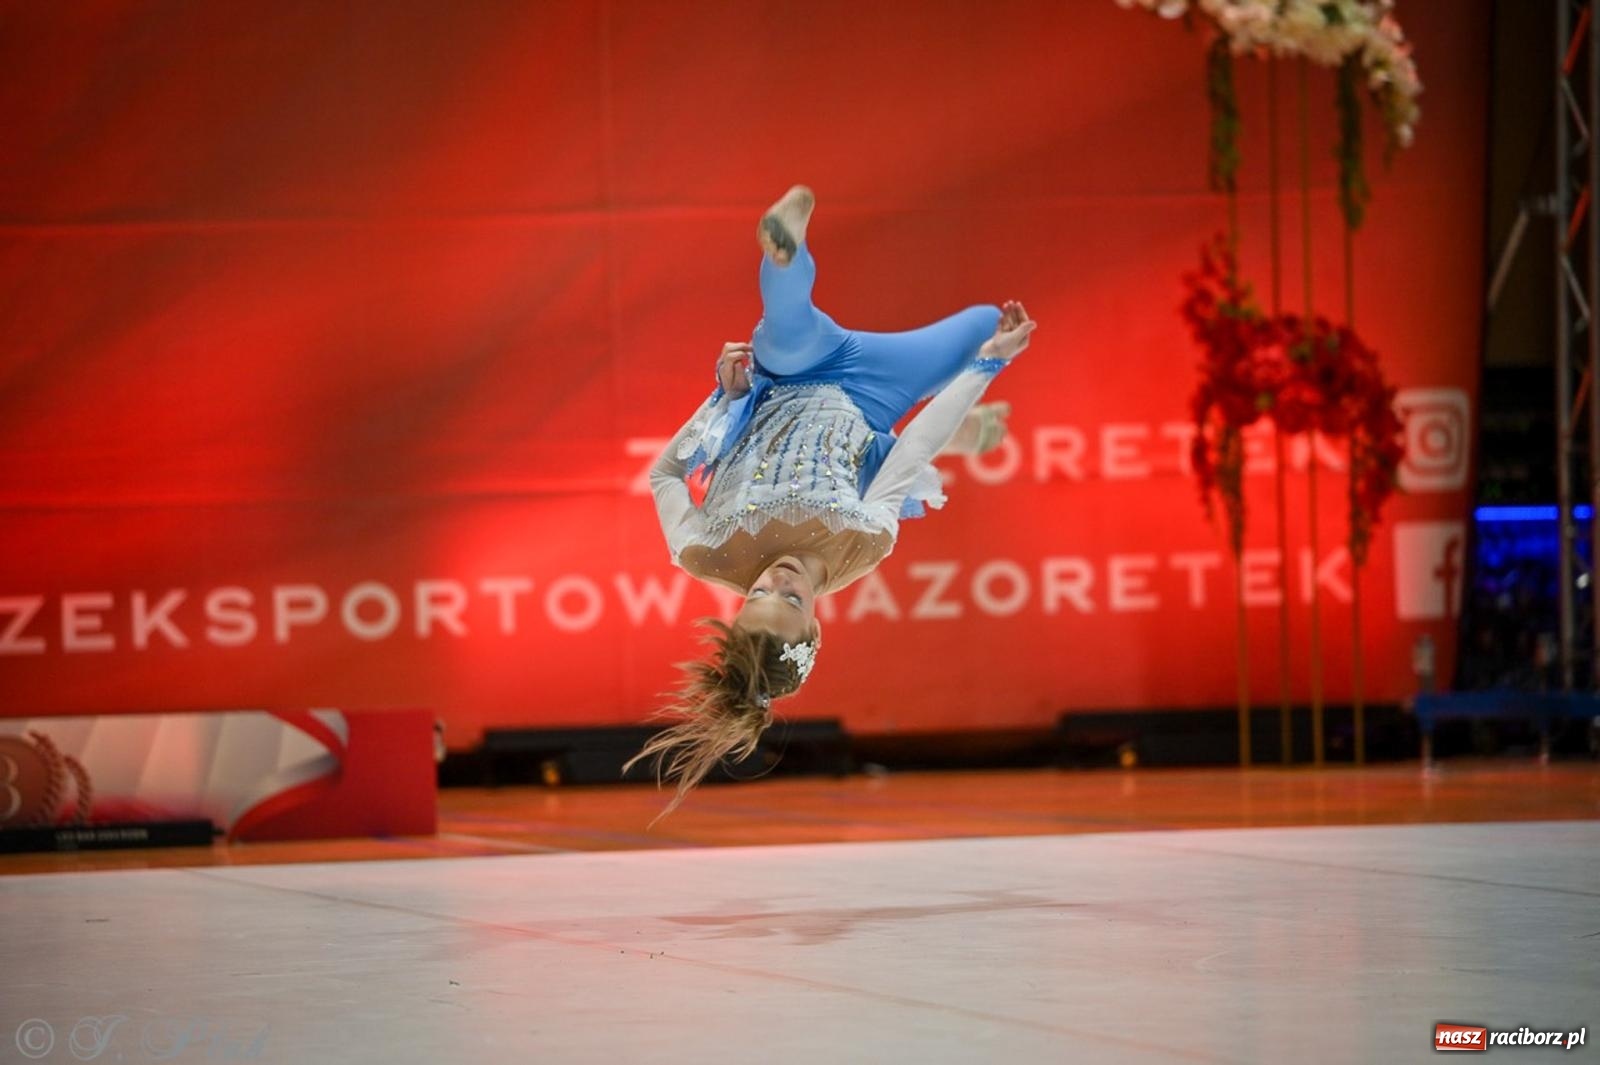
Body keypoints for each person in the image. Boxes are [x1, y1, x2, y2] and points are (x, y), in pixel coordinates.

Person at [628, 185, 1036, 818]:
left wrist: (722, 399)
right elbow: (910, 455)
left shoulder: (703, 551)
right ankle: (966, 430)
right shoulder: (863, 543)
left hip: (792, 372)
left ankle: (785, 248)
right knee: (986, 326)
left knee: (784, 332)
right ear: (815, 627)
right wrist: (988, 365)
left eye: (757, 596)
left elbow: (665, 475)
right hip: (872, 394)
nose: (777, 579)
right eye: (791, 600)